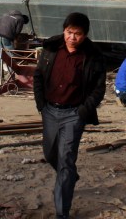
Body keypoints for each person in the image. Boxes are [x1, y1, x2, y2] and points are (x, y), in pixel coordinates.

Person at [33, 12, 106, 219]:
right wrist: (41, 104)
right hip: (50, 110)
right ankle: (70, 176)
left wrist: (83, 111)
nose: (72, 37)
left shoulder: (93, 57)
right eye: (69, 32)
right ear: (63, 31)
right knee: (50, 154)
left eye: (77, 34)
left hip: (74, 114)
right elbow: (38, 76)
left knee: (66, 159)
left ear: (85, 35)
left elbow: (99, 89)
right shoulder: (51, 50)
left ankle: (61, 212)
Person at [0, 10, 29, 79]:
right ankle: (11, 76)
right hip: (7, 37)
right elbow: (17, 31)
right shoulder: (20, 19)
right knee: (11, 56)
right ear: (24, 20)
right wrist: (15, 40)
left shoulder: (6, 14)